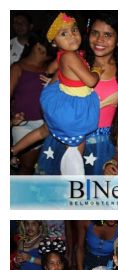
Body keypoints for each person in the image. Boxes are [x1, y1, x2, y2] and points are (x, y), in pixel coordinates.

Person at [39, 13, 101, 175]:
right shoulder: (70, 56)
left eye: (74, 30)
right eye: (63, 33)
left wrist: (54, 74)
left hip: (68, 100)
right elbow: (91, 81)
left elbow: (51, 69)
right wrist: (96, 71)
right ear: (53, 42)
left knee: (73, 147)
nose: (72, 36)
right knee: (76, 148)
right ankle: (74, 179)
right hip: (75, 109)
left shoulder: (64, 55)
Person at [10, 34, 50, 175]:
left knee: (37, 166)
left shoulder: (50, 69)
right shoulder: (18, 67)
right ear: (35, 45)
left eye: (47, 52)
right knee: (27, 166)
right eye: (41, 49)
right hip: (23, 123)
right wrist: (10, 121)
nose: (44, 53)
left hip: (45, 125)